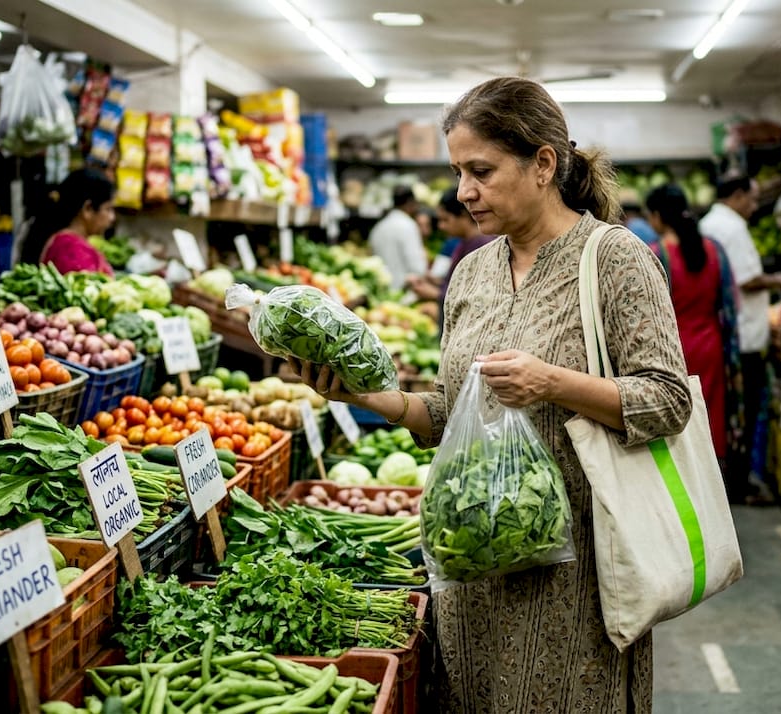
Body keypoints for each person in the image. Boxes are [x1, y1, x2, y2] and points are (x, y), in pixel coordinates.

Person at [289, 76, 691, 713]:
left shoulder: (615, 259)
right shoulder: (471, 271)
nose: (463, 192)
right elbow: (451, 411)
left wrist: (551, 382)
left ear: (543, 164)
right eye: (456, 172)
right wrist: (374, 398)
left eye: (480, 170)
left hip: (576, 577)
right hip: (472, 571)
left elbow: (668, 399)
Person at [698, 173, 781, 501]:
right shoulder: (731, 227)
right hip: (745, 337)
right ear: (737, 195)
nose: (753, 207)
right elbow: (748, 279)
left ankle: (729, 481)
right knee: (745, 412)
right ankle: (739, 485)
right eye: (751, 199)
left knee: (731, 413)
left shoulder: (711, 223)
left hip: (731, 332)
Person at [645, 184, 741, 467]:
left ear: (659, 216)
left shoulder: (656, 254)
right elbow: (730, 309)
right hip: (711, 350)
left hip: (673, 353)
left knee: (679, 426)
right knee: (709, 423)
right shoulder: (714, 251)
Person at [406, 188, 496, 318]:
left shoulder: (483, 246)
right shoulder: (463, 243)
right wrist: (434, 281)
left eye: (445, 220)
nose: (441, 226)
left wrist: (435, 294)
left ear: (463, 216)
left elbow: (477, 299)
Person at [18, 168, 116, 275]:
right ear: (87, 209)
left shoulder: (66, 243)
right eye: (108, 209)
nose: (112, 218)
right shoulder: (72, 252)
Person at [368, 187, 428, 290]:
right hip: (405, 293)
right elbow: (418, 267)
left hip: (382, 291)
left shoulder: (378, 227)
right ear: (410, 203)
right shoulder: (408, 225)